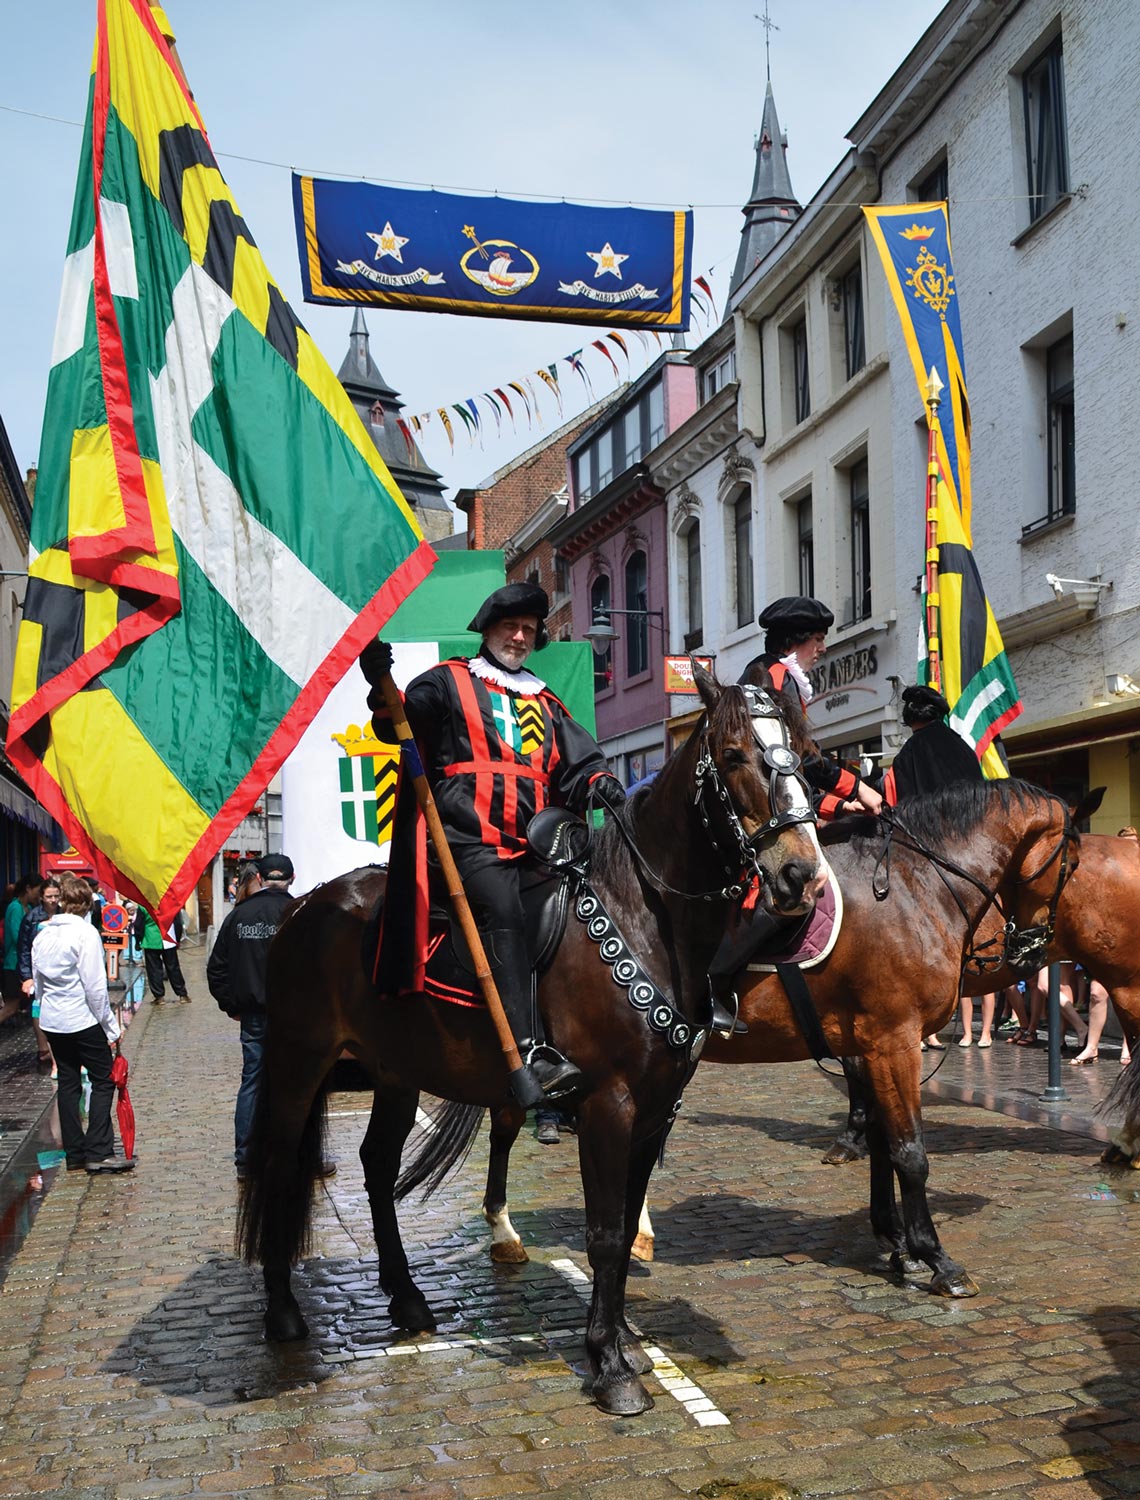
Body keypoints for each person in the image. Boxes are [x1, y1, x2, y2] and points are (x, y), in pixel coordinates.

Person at [360, 582, 626, 1103]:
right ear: (487, 630)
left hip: (537, 848)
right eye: (511, 626)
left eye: (529, 629)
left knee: (586, 907)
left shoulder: (545, 700)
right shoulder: (447, 682)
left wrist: (601, 783)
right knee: (505, 909)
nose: (520, 636)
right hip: (467, 843)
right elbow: (401, 724)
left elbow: (581, 764)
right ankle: (527, 1051)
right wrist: (379, 685)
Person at [707, 597, 882, 1032]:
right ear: (797, 642)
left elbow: (793, 777)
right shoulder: (776, 678)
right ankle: (713, 981)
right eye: (819, 640)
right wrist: (857, 787)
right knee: (791, 892)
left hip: (770, 806)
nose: (822, 648)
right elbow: (800, 760)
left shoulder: (773, 675)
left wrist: (839, 805)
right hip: (754, 819)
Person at [207, 853, 331, 1178]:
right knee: (302, 1084)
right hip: (297, 1017)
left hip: (254, 1015)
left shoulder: (239, 916)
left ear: (259, 879)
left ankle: (247, 1160)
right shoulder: (302, 913)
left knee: (253, 1082)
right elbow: (323, 969)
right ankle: (307, 1158)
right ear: (292, 878)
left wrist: (231, 1005)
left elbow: (216, 968)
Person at [881, 684, 990, 1049]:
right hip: (975, 854)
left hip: (932, 859)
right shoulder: (963, 747)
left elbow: (901, 812)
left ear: (910, 719)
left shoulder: (907, 756)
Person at [33, 872, 133, 1173]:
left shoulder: (44, 934)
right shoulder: (85, 934)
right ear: (88, 904)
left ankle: (75, 1153)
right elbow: (95, 988)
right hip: (82, 1018)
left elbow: (38, 983)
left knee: (68, 1082)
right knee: (102, 1080)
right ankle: (99, 1150)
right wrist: (111, 1028)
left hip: (54, 1019)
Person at [18, 876, 61, 1070]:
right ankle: (43, 1048)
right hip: (38, 971)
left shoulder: (64, 915)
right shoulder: (32, 917)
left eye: (56, 896)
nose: (53, 900)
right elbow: (24, 948)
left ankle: (56, 1053)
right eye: (49, 896)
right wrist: (26, 976)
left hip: (59, 970)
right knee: (38, 1008)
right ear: (42, 897)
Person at [1, 875, 44, 1026]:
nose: (40, 895)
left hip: (24, 963)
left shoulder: (30, 908)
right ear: (28, 889)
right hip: (14, 963)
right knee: (12, 1006)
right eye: (38, 891)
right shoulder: (15, 907)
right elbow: (16, 935)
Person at [133, 905, 189, 1004]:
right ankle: (182, 994)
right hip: (168, 938)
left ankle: (159, 997)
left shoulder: (143, 905)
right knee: (173, 968)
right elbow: (178, 923)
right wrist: (177, 939)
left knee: (154, 969)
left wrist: (138, 941)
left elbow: (139, 925)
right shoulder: (170, 904)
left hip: (151, 940)